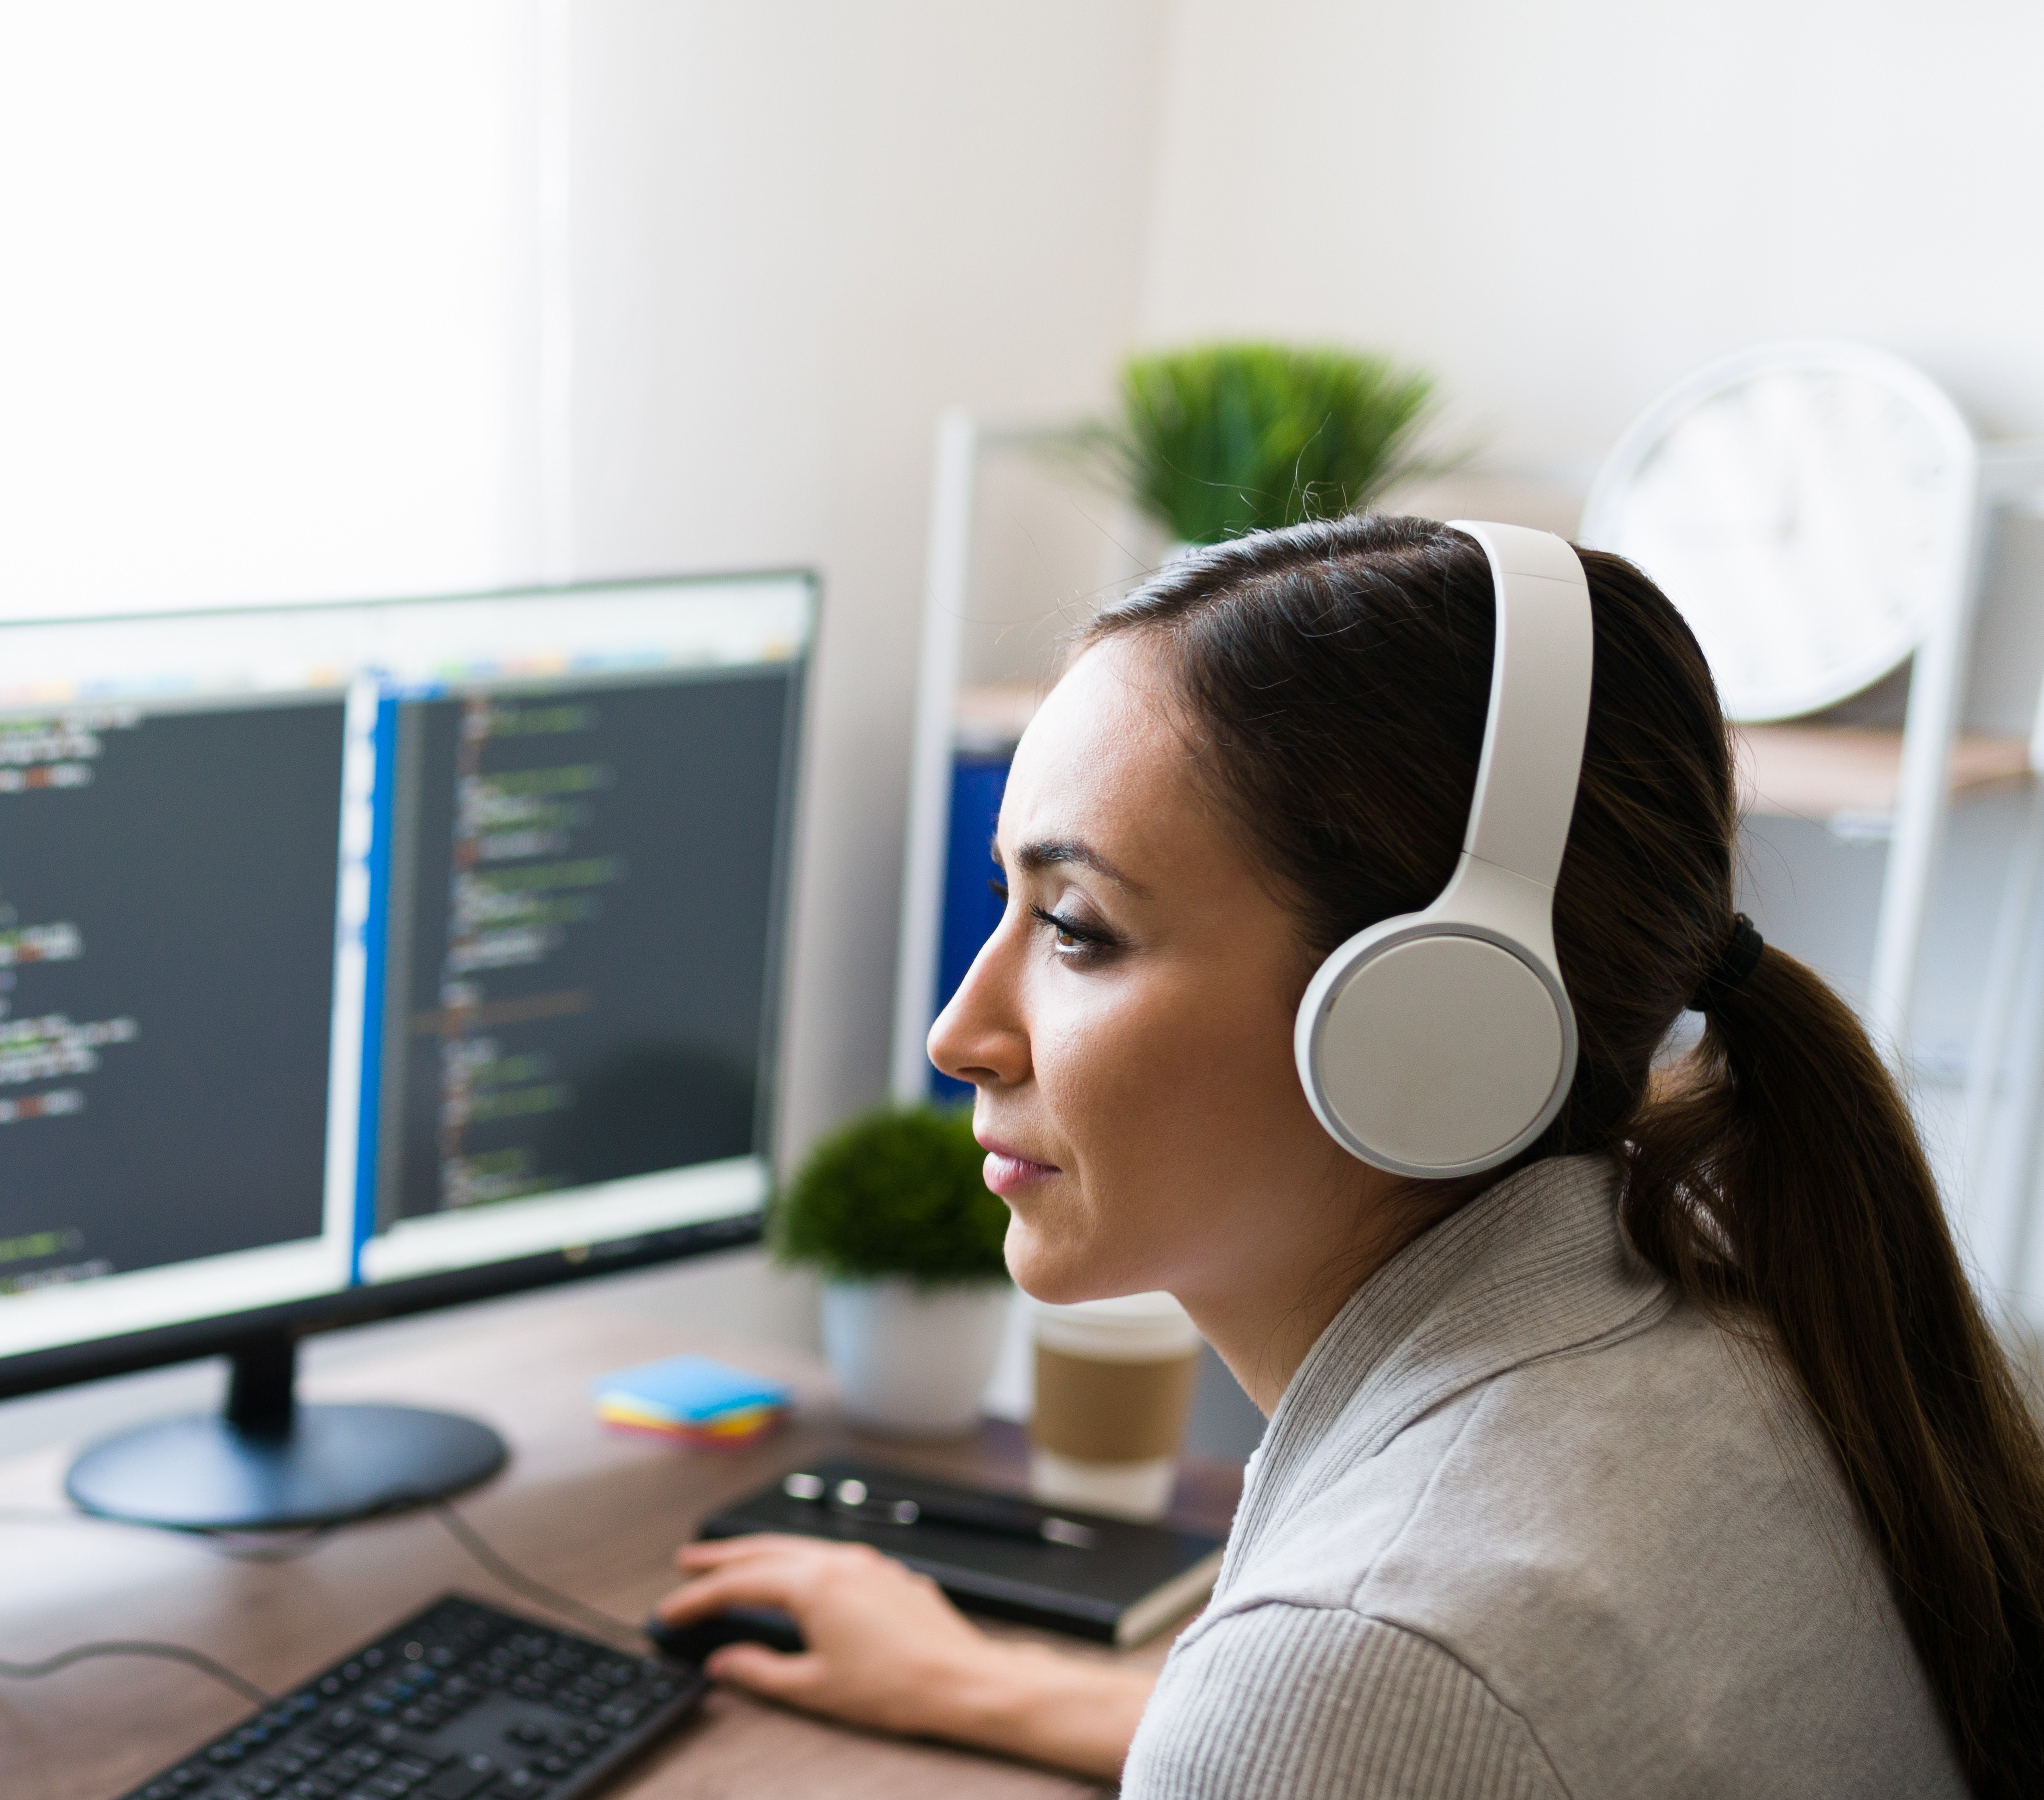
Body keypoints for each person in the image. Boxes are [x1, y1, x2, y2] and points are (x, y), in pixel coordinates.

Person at [654, 516, 2044, 1797]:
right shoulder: (1734, 1320)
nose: (962, 1030)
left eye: (1076, 926)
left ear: (1429, 1013)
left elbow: (1379, 1701)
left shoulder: (1376, 1661)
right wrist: (978, 1679)